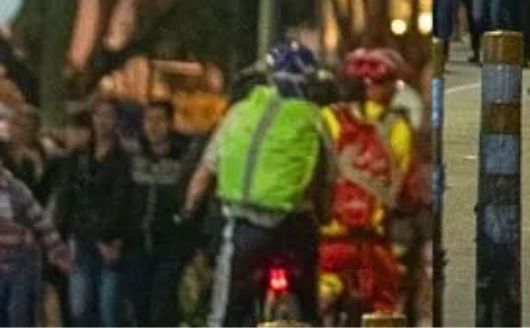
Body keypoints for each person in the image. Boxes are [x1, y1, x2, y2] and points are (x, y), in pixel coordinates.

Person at [184, 39, 329, 327]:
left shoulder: (240, 113)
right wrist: (324, 214)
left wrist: (186, 212)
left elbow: (203, 174)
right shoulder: (315, 118)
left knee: (225, 315)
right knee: (309, 309)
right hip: (295, 226)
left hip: (244, 228)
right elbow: (327, 177)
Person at [318, 48, 415, 321]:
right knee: (386, 308)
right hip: (372, 246)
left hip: (328, 241)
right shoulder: (397, 127)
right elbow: (407, 189)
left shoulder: (327, 118)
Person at [60, 97, 134, 326]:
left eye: (109, 116)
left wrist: (112, 237)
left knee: (108, 309)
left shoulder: (125, 160)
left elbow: (124, 201)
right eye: (99, 115)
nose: (103, 121)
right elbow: (68, 196)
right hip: (81, 237)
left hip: (112, 240)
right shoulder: (79, 156)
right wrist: (66, 235)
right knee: (80, 307)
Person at [125, 100, 193, 327]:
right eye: (149, 120)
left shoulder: (185, 156)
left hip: (170, 243)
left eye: (160, 120)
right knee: (138, 303)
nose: (154, 126)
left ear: (170, 123)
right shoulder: (132, 154)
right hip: (137, 242)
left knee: (163, 306)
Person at [0, 156, 69, 327]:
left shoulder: (16, 189)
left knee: (19, 315)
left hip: (22, 262)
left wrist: (58, 252)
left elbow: (41, 222)